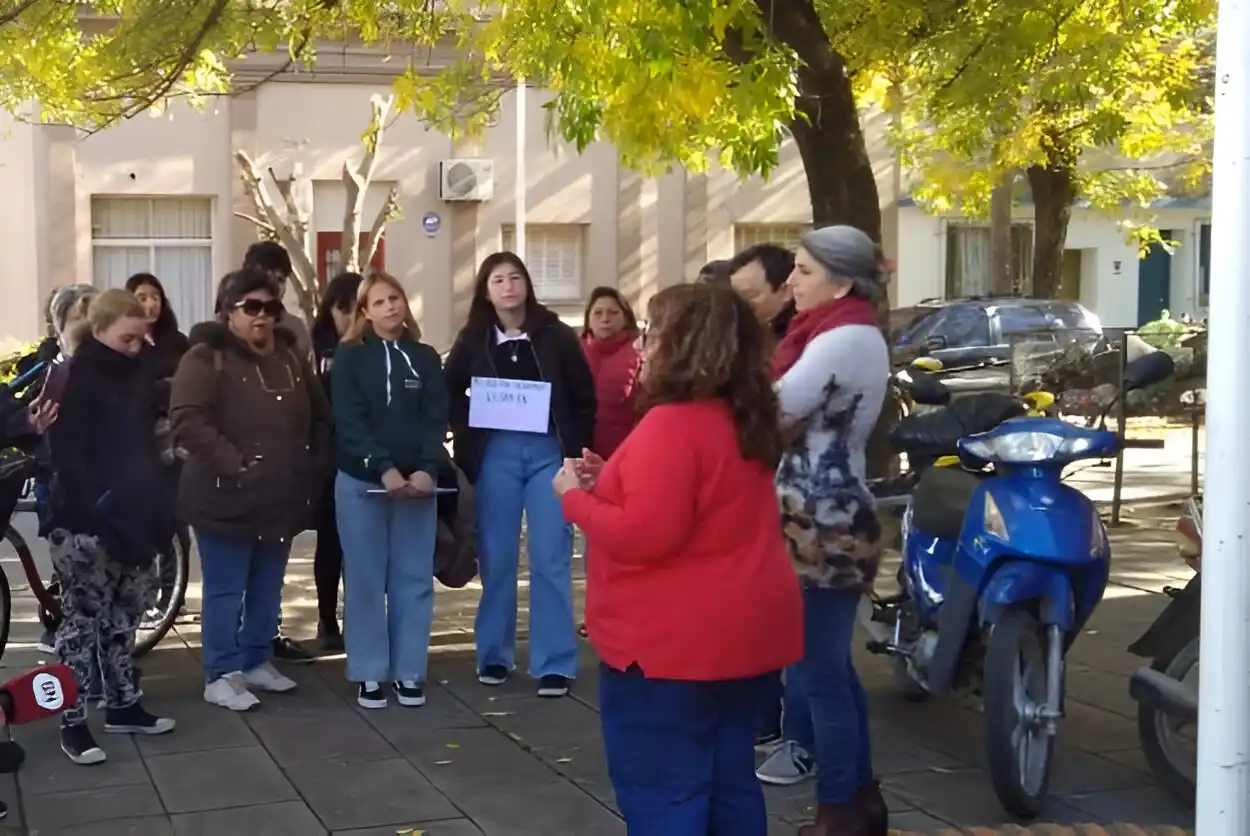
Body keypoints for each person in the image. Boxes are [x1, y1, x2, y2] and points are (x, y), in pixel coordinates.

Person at [555, 282, 802, 835]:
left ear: (682, 345)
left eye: (653, 333)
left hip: (671, 648)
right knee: (730, 782)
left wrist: (575, 498)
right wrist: (609, 479)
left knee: (666, 796)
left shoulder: (671, 424)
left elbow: (644, 535)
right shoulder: (744, 416)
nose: (643, 346)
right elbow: (700, 500)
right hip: (746, 634)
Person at [754, 226, 890, 836]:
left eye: (804, 272)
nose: (791, 282)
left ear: (841, 279)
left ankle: (838, 812)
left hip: (825, 523)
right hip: (821, 515)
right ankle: (860, 803)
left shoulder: (842, 339)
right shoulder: (838, 330)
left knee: (818, 674)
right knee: (831, 670)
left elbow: (775, 412)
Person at [170, 268, 332, 712]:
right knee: (225, 590)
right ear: (227, 312)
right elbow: (188, 420)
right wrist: (236, 465)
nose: (263, 316)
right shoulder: (204, 358)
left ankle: (257, 659)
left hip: (279, 497)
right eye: (252, 307)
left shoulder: (290, 357)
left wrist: (310, 465)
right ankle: (220, 673)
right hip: (223, 498)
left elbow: (320, 416)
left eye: (272, 307)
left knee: (267, 583)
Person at [444, 251, 596, 698]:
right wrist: (466, 426)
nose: (508, 286)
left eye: (515, 277)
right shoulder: (473, 338)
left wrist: (575, 452)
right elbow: (451, 390)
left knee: (551, 555)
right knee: (497, 556)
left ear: (527, 284)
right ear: (485, 291)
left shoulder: (556, 336)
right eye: (497, 280)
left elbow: (583, 396)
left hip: (550, 453)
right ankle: (494, 654)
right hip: (496, 454)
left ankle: (554, 661)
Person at [46, 290, 176, 765]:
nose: (137, 346)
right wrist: (94, 513)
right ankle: (73, 720)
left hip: (136, 516)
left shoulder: (140, 373)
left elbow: (151, 443)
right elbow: (67, 456)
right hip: (86, 525)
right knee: (81, 625)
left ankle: (123, 703)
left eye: (141, 337)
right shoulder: (74, 376)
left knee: (125, 619)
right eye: (127, 337)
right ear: (98, 329)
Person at [332, 271, 448, 709]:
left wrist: (427, 470)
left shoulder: (425, 357)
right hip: (363, 484)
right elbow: (349, 421)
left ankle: (409, 671)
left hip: (419, 483)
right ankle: (368, 672)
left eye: (394, 298)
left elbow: (436, 419)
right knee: (364, 578)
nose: (390, 308)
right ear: (364, 312)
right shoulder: (349, 358)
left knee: (413, 577)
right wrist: (383, 469)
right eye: (378, 302)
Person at [309, 271, 364, 651]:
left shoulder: (372, 346)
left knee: (364, 544)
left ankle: (362, 618)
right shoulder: (319, 348)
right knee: (330, 541)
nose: (346, 318)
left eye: (353, 309)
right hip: (328, 458)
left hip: (365, 457)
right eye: (340, 309)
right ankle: (327, 618)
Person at [580, 287, 642, 460]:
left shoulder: (641, 353)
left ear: (626, 318)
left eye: (613, 312)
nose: (605, 319)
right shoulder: (572, 351)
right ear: (588, 319)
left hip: (624, 452)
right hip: (578, 451)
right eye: (598, 313)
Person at [243, 241, 313, 361]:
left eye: (280, 280)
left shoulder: (296, 329)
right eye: (266, 278)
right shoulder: (227, 326)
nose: (274, 287)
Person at [729, 243, 797, 340]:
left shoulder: (800, 339)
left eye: (750, 295)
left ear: (786, 291)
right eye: (734, 295)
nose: (737, 304)